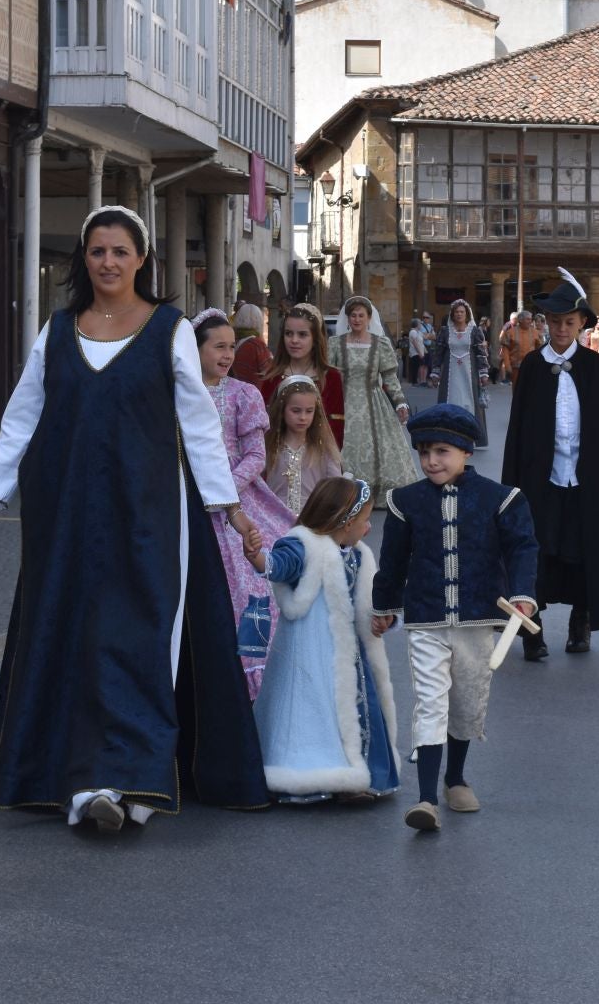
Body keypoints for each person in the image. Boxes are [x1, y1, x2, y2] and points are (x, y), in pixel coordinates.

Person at [0, 206, 268, 832]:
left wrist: (227, 506)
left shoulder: (170, 328)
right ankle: (86, 784)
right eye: (97, 251)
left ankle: (140, 778)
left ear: (141, 259)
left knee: (140, 635)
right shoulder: (60, 330)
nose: (109, 262)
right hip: (67, 514)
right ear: (84, 260)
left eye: (120, 251)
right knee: (76, 636)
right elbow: (22, 417)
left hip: (149, 510)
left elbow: (199, 424)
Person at [375, 405, 538, 831]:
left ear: (466, 452)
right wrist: (384, 606)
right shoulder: (404, 501)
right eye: (424, 451)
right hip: (426, 618)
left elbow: (522, 548)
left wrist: (523, 596)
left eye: (442, 451)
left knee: (465, 701)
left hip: (478, 618)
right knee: (430, 702)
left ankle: (456, 778)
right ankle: (426, 799)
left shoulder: (500, 499)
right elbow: (391, 561)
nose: (431, 461)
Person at [501, 269, 599, 659]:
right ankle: (532, 628)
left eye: (569, 322)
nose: (561, 329)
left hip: (584, 478)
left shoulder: (594, 368)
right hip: (539, 478)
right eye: (555, 322)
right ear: (546, 323)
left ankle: (582, 621)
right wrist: (515, 480)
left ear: (580, 325)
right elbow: (518, 430)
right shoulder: (530, 368)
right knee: (537, 550)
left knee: (582, 549)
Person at [255, 476, 399, 805]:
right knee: (314, 713)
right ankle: (315, 775)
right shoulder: (302, 544)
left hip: (350, 654)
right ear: (343, 520)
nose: (367, 529)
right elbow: (280, 566)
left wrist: (383, 617)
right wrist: (259, 558)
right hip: (310, 655)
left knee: (354, 710)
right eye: (363, 521)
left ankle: (356, 776)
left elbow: (373, 596)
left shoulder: (359, 555)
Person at [194, 308, 298, 697]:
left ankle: (254, 673)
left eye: (230, 347)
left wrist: (226, 488)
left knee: (252, 579)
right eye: (217, 347)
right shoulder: (179, 394)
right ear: (196, 349)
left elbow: (256, 454)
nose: (226, 355)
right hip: (190, 500)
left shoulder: (243, 393)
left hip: (237, 499)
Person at [332, 295, 419, 491]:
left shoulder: (380, 344)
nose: (356, 319)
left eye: (361, 315)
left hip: (373, 401)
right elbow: (328, 375)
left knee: (376, 445)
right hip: (342, 403)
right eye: (353, 315)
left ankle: (374, 488)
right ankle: (342, 489)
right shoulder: (336, 344)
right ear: (348, 318)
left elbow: (389, 377)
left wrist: (400, 402)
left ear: (369, 318)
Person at [265, 303, 345, 447]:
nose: (294, 340)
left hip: (318, 457)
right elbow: (263, 425)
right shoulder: (272, 377)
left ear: (315, 339)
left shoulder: (330, 378)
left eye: (302, 334)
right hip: (277, 456)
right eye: (289, 333)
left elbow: (337, 428)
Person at [264, 374, 343, 519]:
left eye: (309, 411)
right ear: (281, 409)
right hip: (274, 520)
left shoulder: (323, 449)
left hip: (312, 522)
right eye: (296, 411)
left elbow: (335, 487)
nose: (303, 417)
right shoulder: (268, 446)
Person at [428, 298, 490, 447]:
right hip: (451, 373)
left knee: (469, 402)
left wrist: (483, 373)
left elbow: (481, 353)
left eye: (462, 312)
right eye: (456, 312)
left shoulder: (474, 331)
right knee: (451, 400)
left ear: (467, 314)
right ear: (452, 314)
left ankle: (470, 435)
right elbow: (438, 353)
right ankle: (448, 434)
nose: (459, 314)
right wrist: (435, 372)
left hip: (470, 373)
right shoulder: (445, 331)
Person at [228, 302, 279, 404]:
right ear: (258, 321)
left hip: (235, 395)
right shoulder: (256, 344)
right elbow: (270, 372)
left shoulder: (232, 341)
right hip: (254, 398)